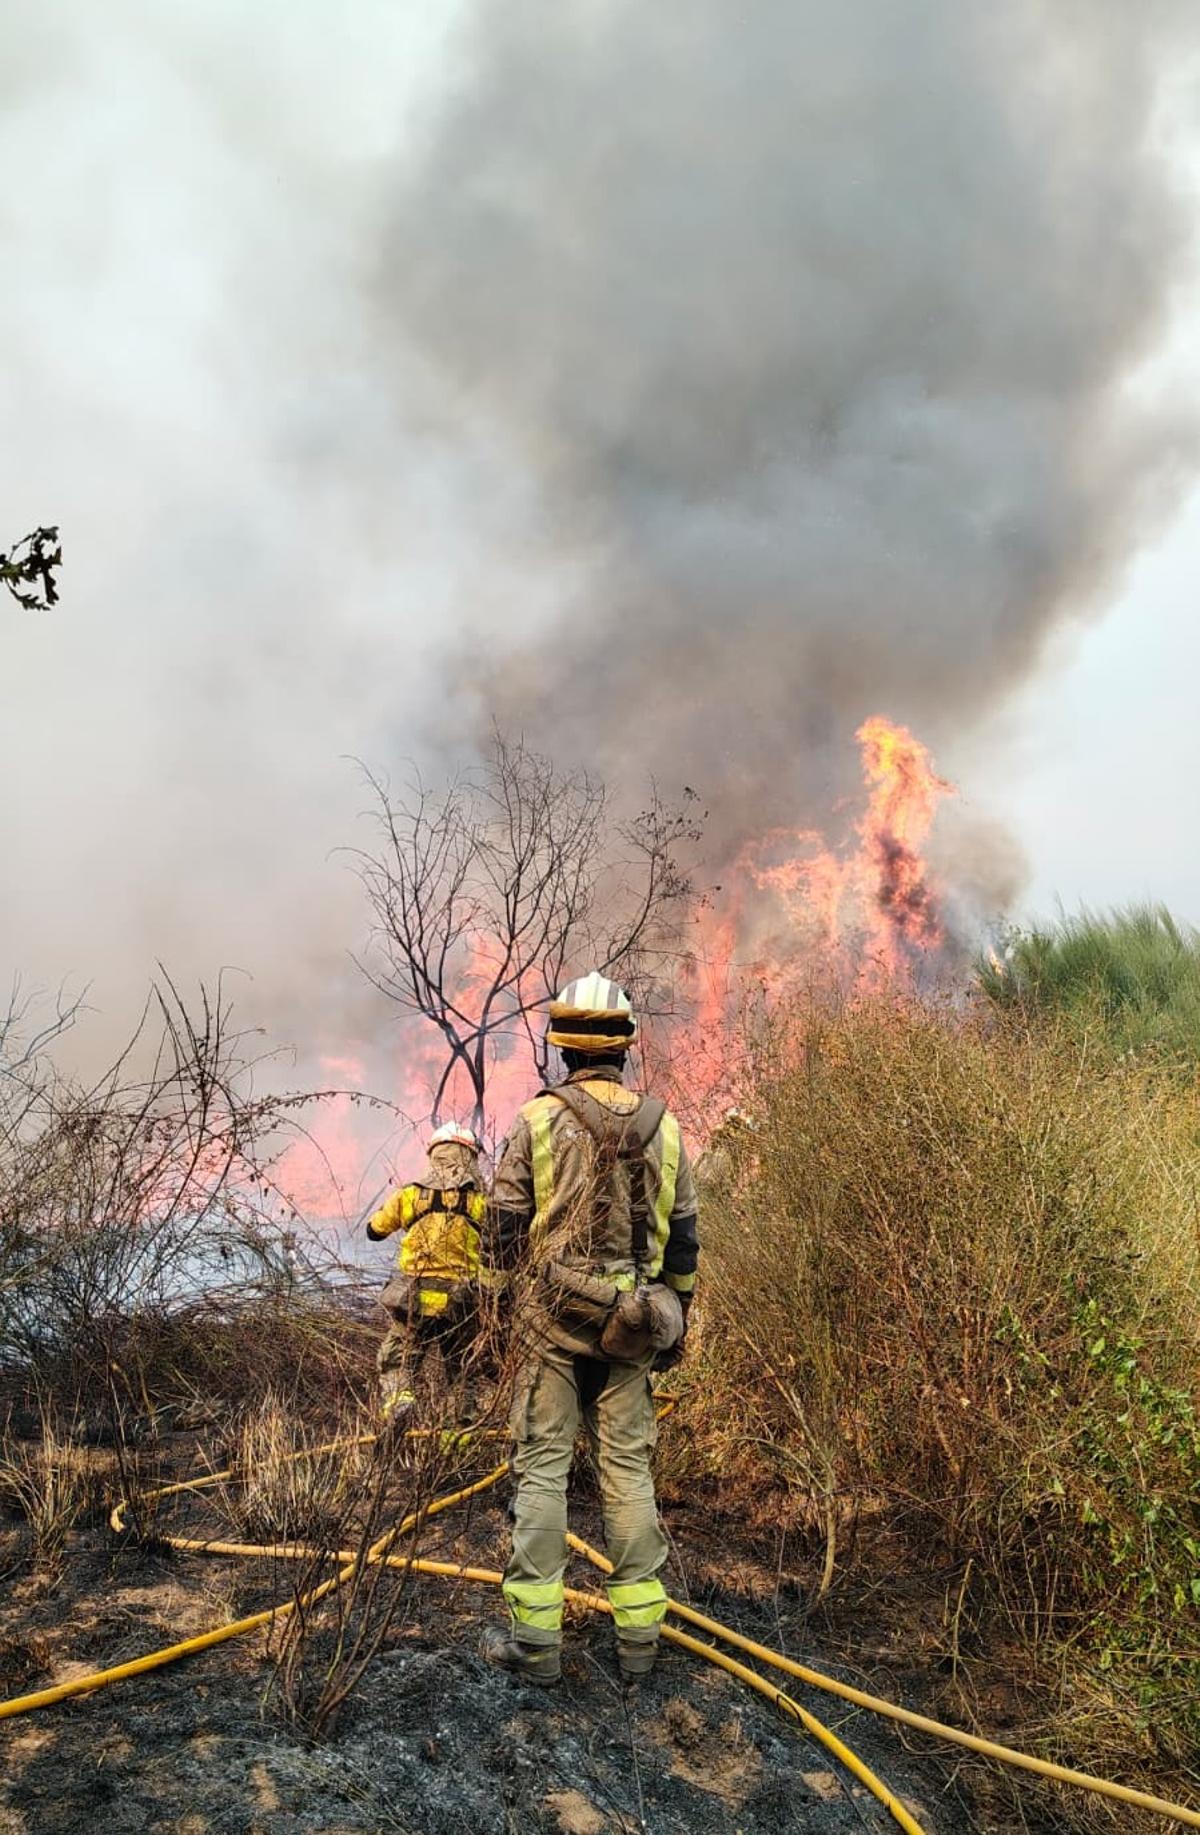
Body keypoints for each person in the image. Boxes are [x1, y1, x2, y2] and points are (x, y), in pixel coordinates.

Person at [481, 972, 699, 1686]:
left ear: (563, 1048)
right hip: (634, 1328)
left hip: (554, 1324)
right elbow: (684, 1251)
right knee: (629, 1474)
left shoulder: (536, 1121)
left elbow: (504, 1238)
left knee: (542, 1468)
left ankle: (535, 1645)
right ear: (626, 1047)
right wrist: (675, 1322)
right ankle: (639, 1641)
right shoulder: (665, 1127)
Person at [366, 1123, 489, 1425]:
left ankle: (399, 1402)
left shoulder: (409, 1195)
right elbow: (500, 1243)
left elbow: (375, 1230)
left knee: (397, 1360)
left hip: (414, 1300)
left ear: (434, 1155)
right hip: (460, 1302)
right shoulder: (480, 1202)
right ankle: (457, 1433)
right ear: (470, 1157)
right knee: (461, 1370)